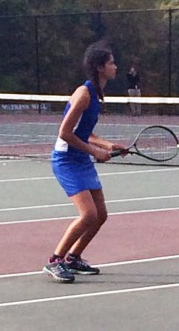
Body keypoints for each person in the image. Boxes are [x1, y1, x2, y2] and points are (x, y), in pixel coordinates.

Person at [43, 41, 126, 283]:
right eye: (111, 63)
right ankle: (55, 260)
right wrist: (94, 152)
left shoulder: (97, 96)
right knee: (88, 214)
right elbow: (65, 132)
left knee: (100, 215)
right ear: (100, 67)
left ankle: (73, 258)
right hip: (66, 160)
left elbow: (84, 131)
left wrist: (107, 146)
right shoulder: (84, 94)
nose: (115, 67)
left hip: (81, 159)